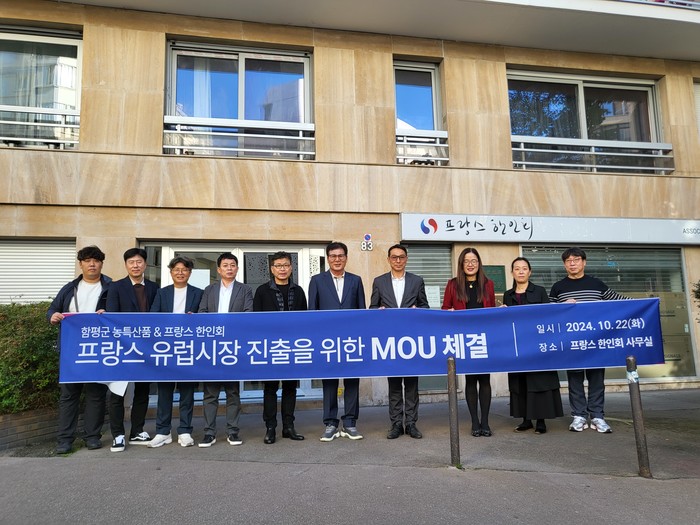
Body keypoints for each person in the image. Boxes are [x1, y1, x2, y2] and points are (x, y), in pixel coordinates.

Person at [549, 247, 628, 434]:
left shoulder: (596, 284)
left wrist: (646, 304)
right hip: (572, 342)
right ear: (564, 265)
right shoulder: (558, 287)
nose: (572, 263)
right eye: (568, 261)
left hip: (596, 342)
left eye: (576, 260)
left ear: (584, 262)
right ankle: (579, 416)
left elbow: (619, 301)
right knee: (575, 380)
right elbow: (549, 313)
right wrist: (561, 306)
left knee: (596, 379)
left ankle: (597, 416)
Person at [47, 246, 112, 454]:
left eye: (96, 260)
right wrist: (53, 316)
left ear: (101, 264)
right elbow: (53, 309)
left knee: (96, 395)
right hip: (71, 350)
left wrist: (109, 313)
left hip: (99, 349)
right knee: (69, 396)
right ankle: (65, 440)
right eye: (87, 260)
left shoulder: (111, 287)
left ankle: (92, 437)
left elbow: (120, 313)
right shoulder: (69, 288)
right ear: (81, 264)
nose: (92, 264)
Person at [370, 244, 429, 440]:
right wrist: (378, 312)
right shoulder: (379, 282)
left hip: (411, 340)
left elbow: (425, 307)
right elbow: (372, 308)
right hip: (390, 340)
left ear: (406, 259)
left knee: (411, 383)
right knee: (394, 383)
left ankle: (411, 423)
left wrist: (418, 311)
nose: (398, 260)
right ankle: (396, 423)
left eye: (401, 257)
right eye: (394, 257)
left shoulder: (416, 281)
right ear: (388, 259)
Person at [308, 241, 366, 442]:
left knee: (352, 381)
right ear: (328, 258)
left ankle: (350, 423)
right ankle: (330, 423)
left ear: (346, 258)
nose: (337, 259)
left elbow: (361, 311)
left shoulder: (356, 280)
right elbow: (312, 312)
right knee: (329, 383)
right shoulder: (317, 280)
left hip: (351, 340)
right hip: (327, 341)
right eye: (333, 256)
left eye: (341, 256)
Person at [197, 252, 253, 448]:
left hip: (233, 346)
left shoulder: (245, 290)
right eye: (225, 265)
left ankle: (233, 431)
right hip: (212, 346)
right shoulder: (209, 289)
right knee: (210, 393)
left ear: (237, 268)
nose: (229, 268)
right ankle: (209, 432)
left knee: (232, 392)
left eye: (232, 265)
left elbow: (248, 314)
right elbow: (202, 312)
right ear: (219, 269)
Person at [106, 247, 159, 451]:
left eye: (139, 262)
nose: (135, 266)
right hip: (122, 347)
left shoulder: (154, 287)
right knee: (117, 392)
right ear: (126, 265)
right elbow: (112, 315)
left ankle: (137, 430)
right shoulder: (116, 287)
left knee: (143, 391)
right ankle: (118, 435)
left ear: (145, 264)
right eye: (131, 262)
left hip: (146, 348)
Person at [503, 256, 563, 435]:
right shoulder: (508, 294)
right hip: (518, 346)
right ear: (512, 272)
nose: (520, 271)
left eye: (524, 268)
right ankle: (526, 420)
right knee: (520, 382)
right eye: (517, 268)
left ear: (530, 272)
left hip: (537, 344)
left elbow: (547, 315)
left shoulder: (540, 291)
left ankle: (541, 421)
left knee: (539, 382)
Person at [148, 256, 203, 448]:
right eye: (176, 269)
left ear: (190, 273)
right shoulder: (162, 293)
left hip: (188, 349)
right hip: (166, 348)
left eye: (184, 269)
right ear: (171, 272)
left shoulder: (199, 293)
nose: (180, 273)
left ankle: (185, 431)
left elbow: (205, 317)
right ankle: (163, 432)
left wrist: (196, 318)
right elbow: (153, 316)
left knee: (187, 392)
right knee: (164, 392)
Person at [253, 251, 307, 444]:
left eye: (285, 265)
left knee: (290, 388)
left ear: (291, 268)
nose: (282, 269)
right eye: (278, 266)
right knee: (270, 388)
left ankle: (288, 427)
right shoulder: (262, 291)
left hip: (292, 347)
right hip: (271, 346)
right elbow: (256, 320)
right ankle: (270, 428)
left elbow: (305, 318)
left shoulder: (298, 291)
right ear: (272, 269)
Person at [442, 247, 496, 437]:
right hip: (464, 338)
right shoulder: (453, 284)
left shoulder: (488, 284)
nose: (470, 264)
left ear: (479, 263)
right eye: (466, 261)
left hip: (483, 338)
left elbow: (492, 310)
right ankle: (474, 422)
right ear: (461, 264)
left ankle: (485, 422)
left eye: (474, 261)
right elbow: (445, 308)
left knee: (485, 379)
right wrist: (449, 313)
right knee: (471, 379)